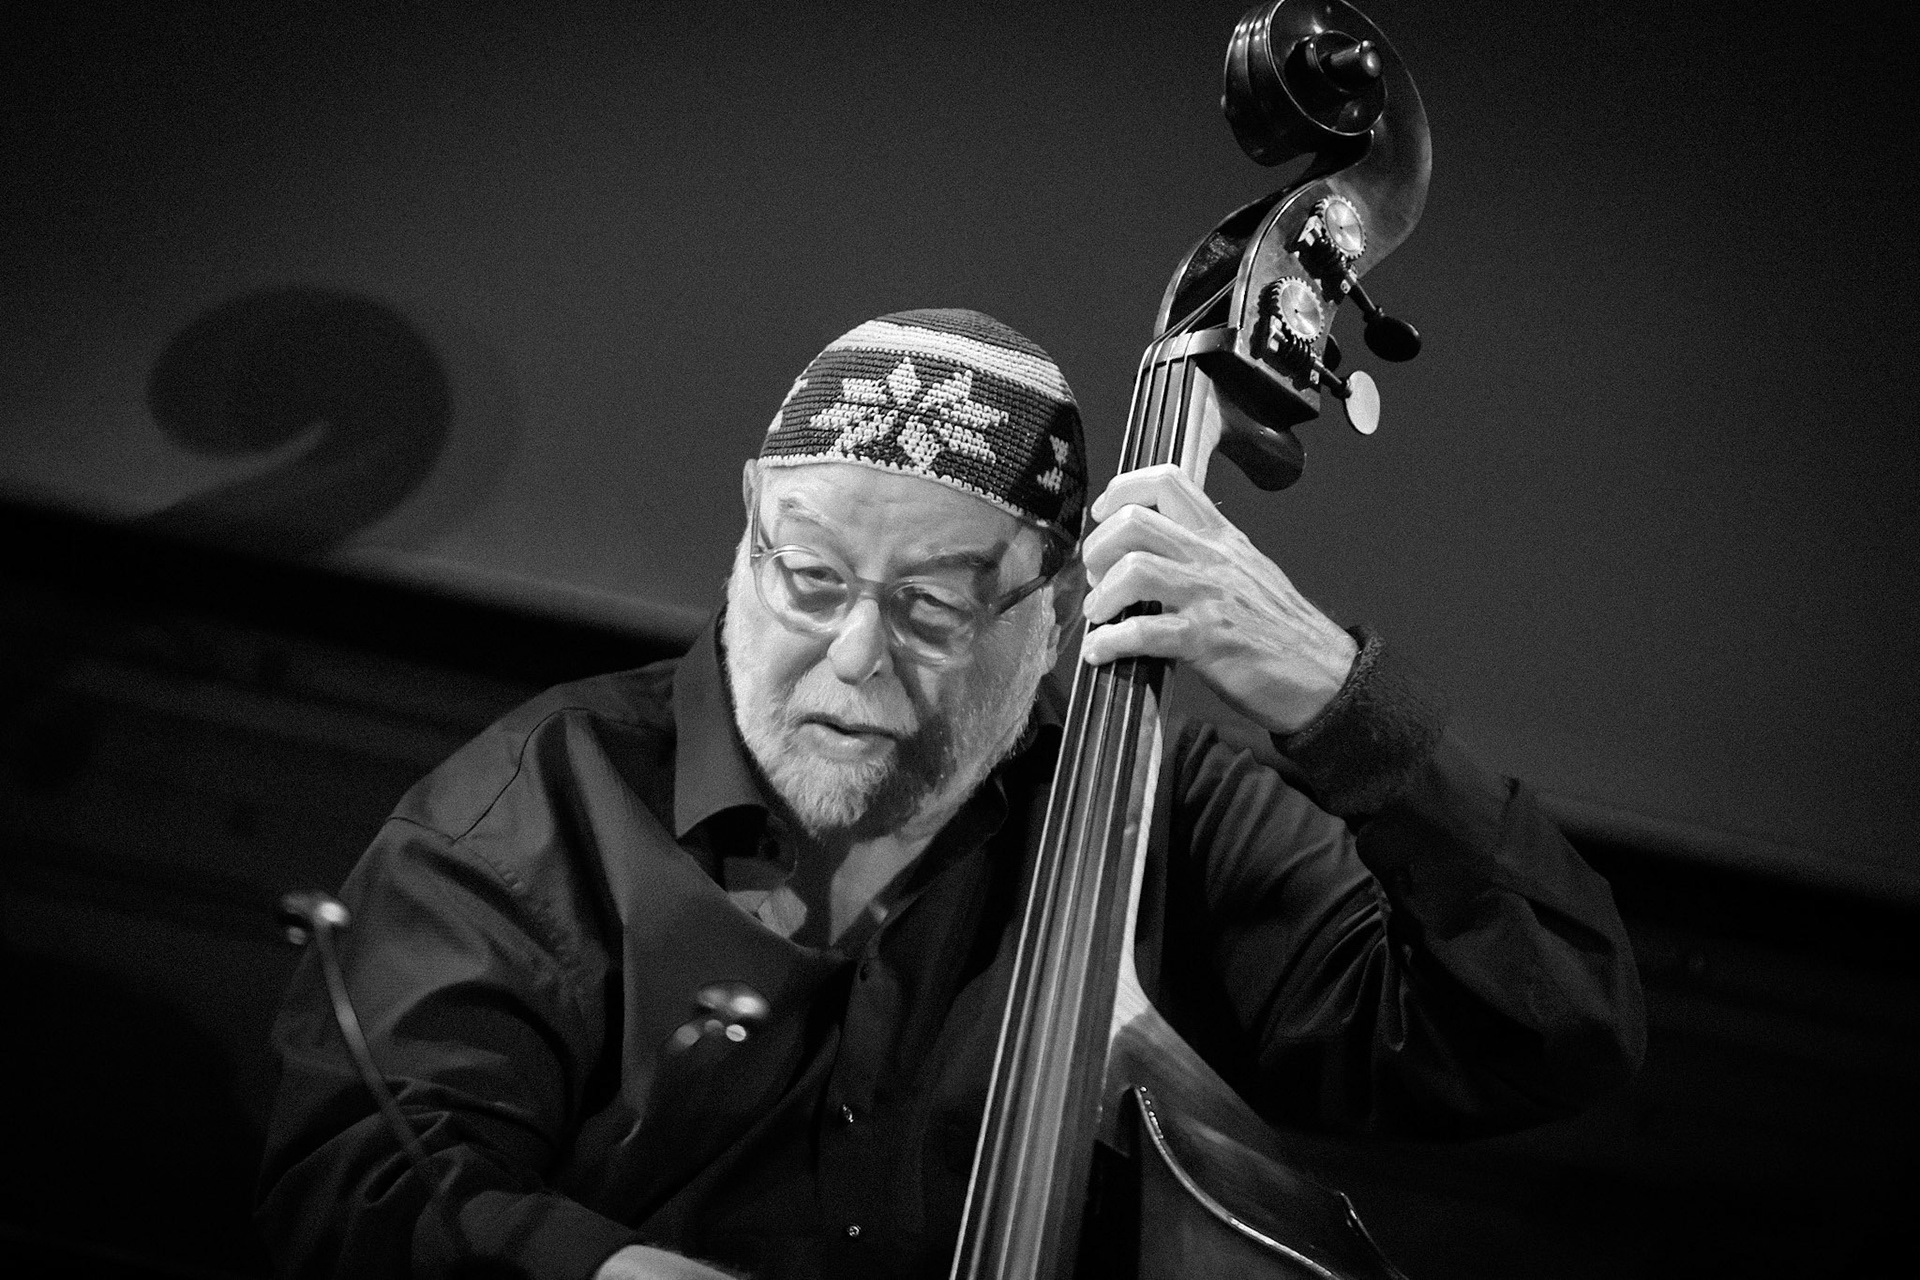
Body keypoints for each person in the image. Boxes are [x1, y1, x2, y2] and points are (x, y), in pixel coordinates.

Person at [257, 309, 1644, 1280]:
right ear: (750, 531)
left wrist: (1335, 694)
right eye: (811, 581)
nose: (853, 659)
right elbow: (355, 1198)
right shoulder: (525, 819)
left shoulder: (1161, 813)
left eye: (929, 608)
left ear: (1054, 616)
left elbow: (1548, 1022)